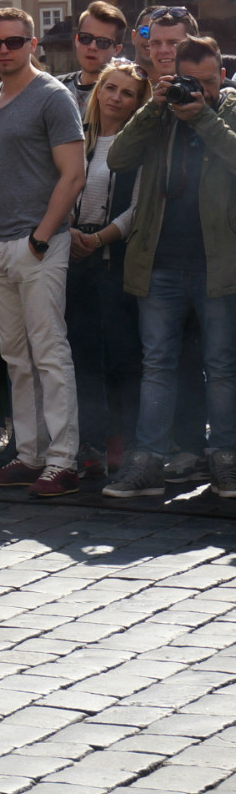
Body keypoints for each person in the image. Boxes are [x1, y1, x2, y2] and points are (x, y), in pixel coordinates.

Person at [105, 36, 236, 499]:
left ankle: (226, 459)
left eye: (204, 82)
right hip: (159, 262)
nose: (194, 91)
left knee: (221, 367)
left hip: (219, 264)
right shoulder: (161, 114)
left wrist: (203, 116)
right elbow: (118, 159)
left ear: (221, 76)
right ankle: (148, 462)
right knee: (156, 365)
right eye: (186, 82)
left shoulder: (230, 112)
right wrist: (152, 109)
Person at [0, 8, 88, 499]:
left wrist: (41, 237)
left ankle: (63, 460)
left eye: (13, 42)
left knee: (49, 353)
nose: (3, 51)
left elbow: (74, 173)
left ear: (32, 42)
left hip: (37, 243)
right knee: (15, 356)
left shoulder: (53, 96)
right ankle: (29, 453)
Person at [67, 60, 146, 482]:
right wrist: (71, 232)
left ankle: (121, 438)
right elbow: (58, 185)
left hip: (115, 256)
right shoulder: (79, 136)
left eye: (127, 92)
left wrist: (98, 239)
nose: (116, 97)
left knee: (120, 353)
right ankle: (89, 441)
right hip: (73, 253)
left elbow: (139, 207)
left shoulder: (139, 142)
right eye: (110, 88)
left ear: (138, 102)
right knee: (82, 355)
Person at [68, 2, 131, 116]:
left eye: (102, 42)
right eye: (86, 38)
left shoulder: (122, 96)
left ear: (117, 49)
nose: (92, 47)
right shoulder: (57, 87)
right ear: (77, 39)